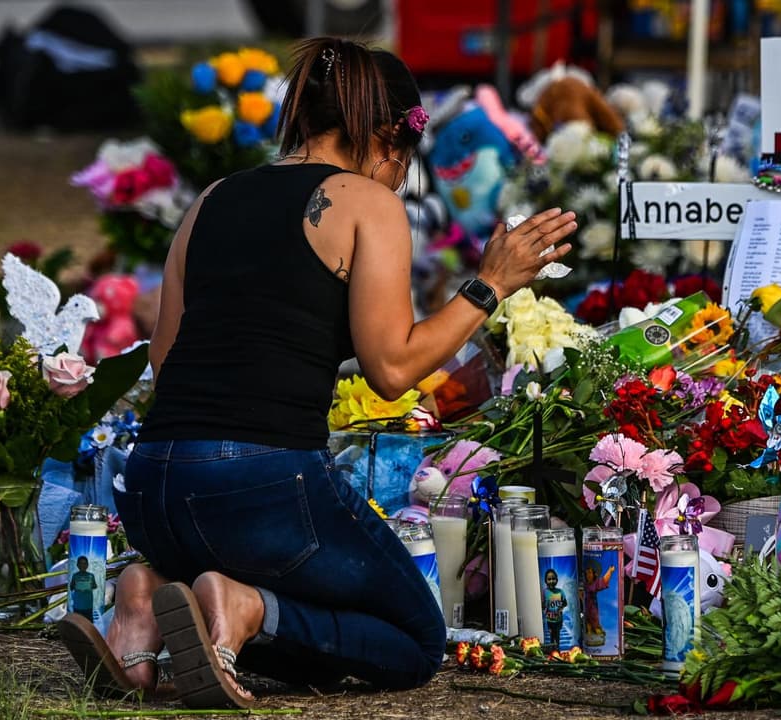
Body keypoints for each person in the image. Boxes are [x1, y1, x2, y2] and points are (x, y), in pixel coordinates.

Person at [57, 37, 576, 709]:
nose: (400, 177)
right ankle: (244, 609)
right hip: (261, 486)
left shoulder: (213, 197)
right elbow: (392, 369)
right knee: (413, 640)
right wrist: (489, 285)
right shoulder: (366, 202)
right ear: (389, 135)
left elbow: (165, 358)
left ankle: (145, 599)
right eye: (406, 158)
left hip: (154, 486)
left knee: (318, 638)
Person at [542, 568, 569, 651]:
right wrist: (544, 610)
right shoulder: (545, 592)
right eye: (549, 579)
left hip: (558, 620)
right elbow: (543, 604)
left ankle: (557, 649)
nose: (551, 581)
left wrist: (560, 609)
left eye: (553, 579)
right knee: (551, 635)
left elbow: (565, 603)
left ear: (557, 580)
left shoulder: (560, 592)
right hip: (549, 620)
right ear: (546, 581)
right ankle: (551, 650)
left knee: (557, 635)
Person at [70, 556, 98, 620]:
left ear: (87, 565)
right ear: (77, 565)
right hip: (77, 605)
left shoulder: (91, 576)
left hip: (88, 605)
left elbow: (95, 586)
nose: (83, 565)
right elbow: (71, 587)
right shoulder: (75, 576)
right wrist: (78, 587)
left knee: (88, 623)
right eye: (81, 563)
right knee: (78, 624)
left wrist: (87, 586)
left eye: (85, 563)